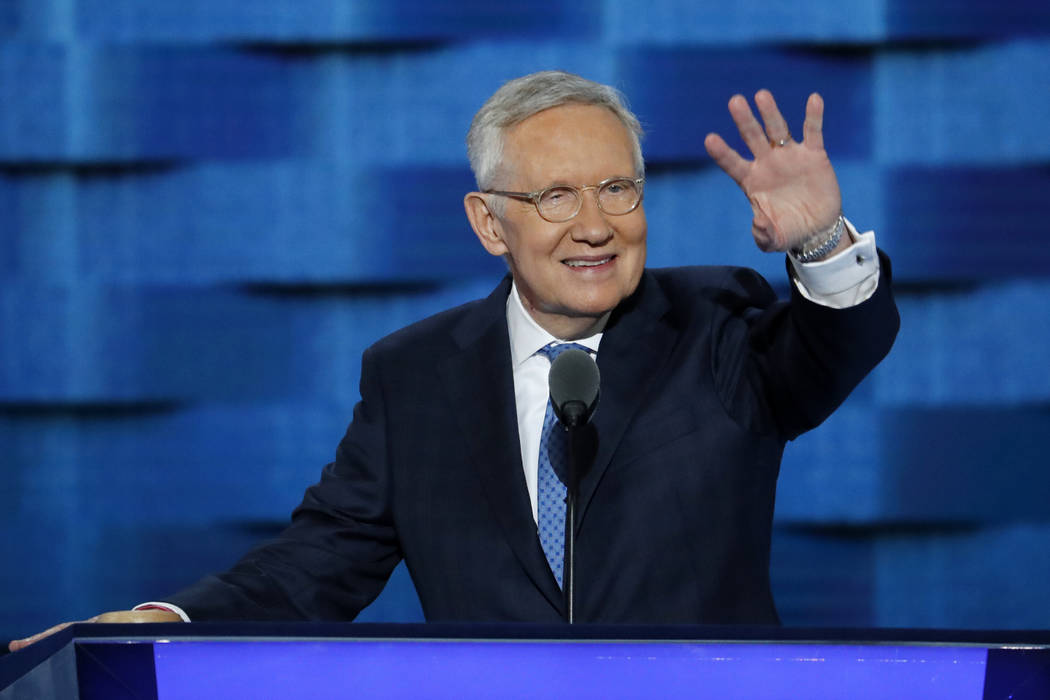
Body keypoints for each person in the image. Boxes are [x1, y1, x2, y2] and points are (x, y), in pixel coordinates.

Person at [9, 70, 898, 650]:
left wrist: (820, 239)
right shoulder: (415, 374)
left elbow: (836, 347)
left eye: (617, 188)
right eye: (554, 196)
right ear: (487, 224)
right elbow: (319, 562)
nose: (595, 224)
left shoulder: (716, 320)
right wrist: (165, 620)